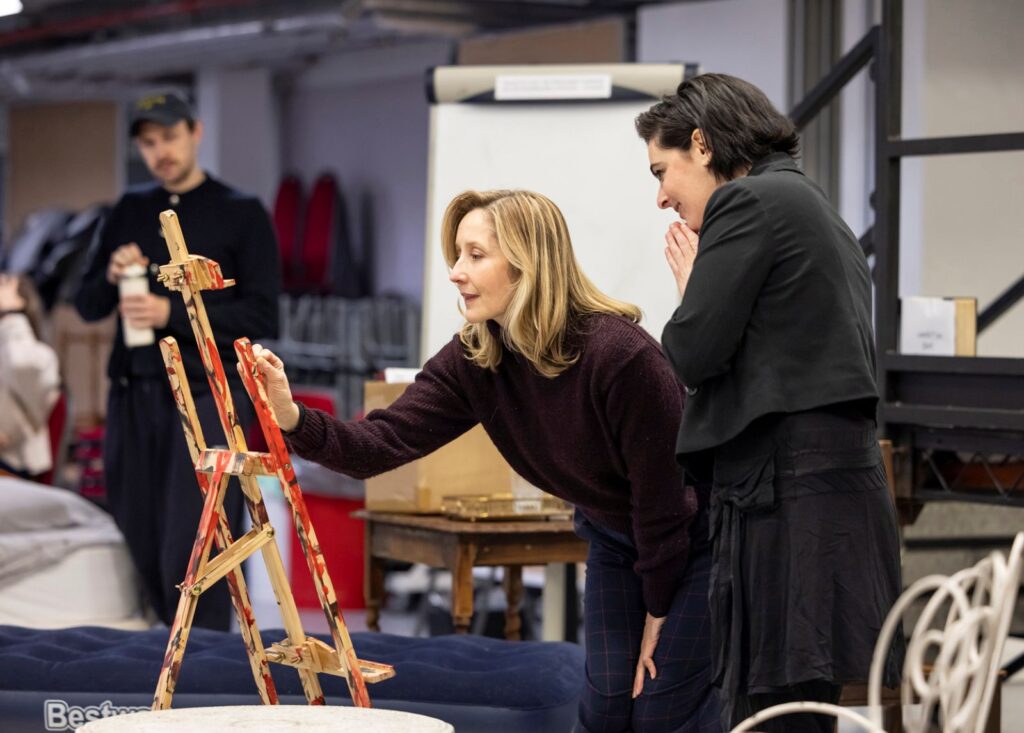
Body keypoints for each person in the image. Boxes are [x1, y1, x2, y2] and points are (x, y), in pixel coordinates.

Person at [250, 189, 719, 732]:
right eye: (457, 255)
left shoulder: (621, 356)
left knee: (661, 712)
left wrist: (658, 609)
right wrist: (290, 415)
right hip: (617, 537)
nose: (455, 272)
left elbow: (666, 502)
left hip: (696, 543)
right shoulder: (478, 356)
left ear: (527, 265)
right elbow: (376, 445)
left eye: (475, 255)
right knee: (606, 710)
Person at [635, 73, 905, 732]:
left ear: (702, 145)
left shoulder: (747, 201)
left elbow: (693, 351)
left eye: (662, 171)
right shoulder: (809, 202)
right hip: (826, 494)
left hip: (789, 500)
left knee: (775, 713)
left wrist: (693, 291)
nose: (662, 196)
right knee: (802, 707)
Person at [74, 92, 281, 630]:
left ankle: (204, 657)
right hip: (134, 394)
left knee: (198, 540)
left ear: (196, 132)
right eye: (148, 143)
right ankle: (161, 649)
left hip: (207, 396)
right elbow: (87, 304)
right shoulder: (128, 209)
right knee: (136, 528)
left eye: (169, 137)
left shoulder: (240, 211)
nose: (160, 151)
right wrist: (113, 275)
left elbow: (263, 314)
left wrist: (172, 312)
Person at [0, 273, 61, 481]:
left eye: (4, 283)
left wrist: (11, 318)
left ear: (21, 301)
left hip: (15, 462)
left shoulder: (40, 355)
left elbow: (19, 365)